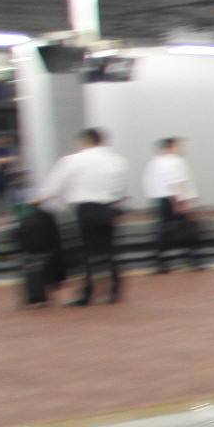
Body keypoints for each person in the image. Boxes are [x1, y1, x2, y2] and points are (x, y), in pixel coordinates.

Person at [32, 126, 132, 305]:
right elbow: (120, 189)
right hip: (109, 209)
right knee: (109, 251)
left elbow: (54, 185)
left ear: (87, 140)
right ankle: (115, 290)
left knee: (86, 252)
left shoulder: (73, 160)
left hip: (86, 210)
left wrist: (39, 199)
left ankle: (87, 293)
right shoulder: (117, 160)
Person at [145, 137, 200, 273]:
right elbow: (177, 182)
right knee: (188, 230)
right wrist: (180, 202)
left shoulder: (155, 162)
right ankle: (192, 259)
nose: (181, 149)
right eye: (178, 146)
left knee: (164, 231)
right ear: (170, 147)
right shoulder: (175, 161)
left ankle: (160, 262)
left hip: (161, 200)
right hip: (175, 200)